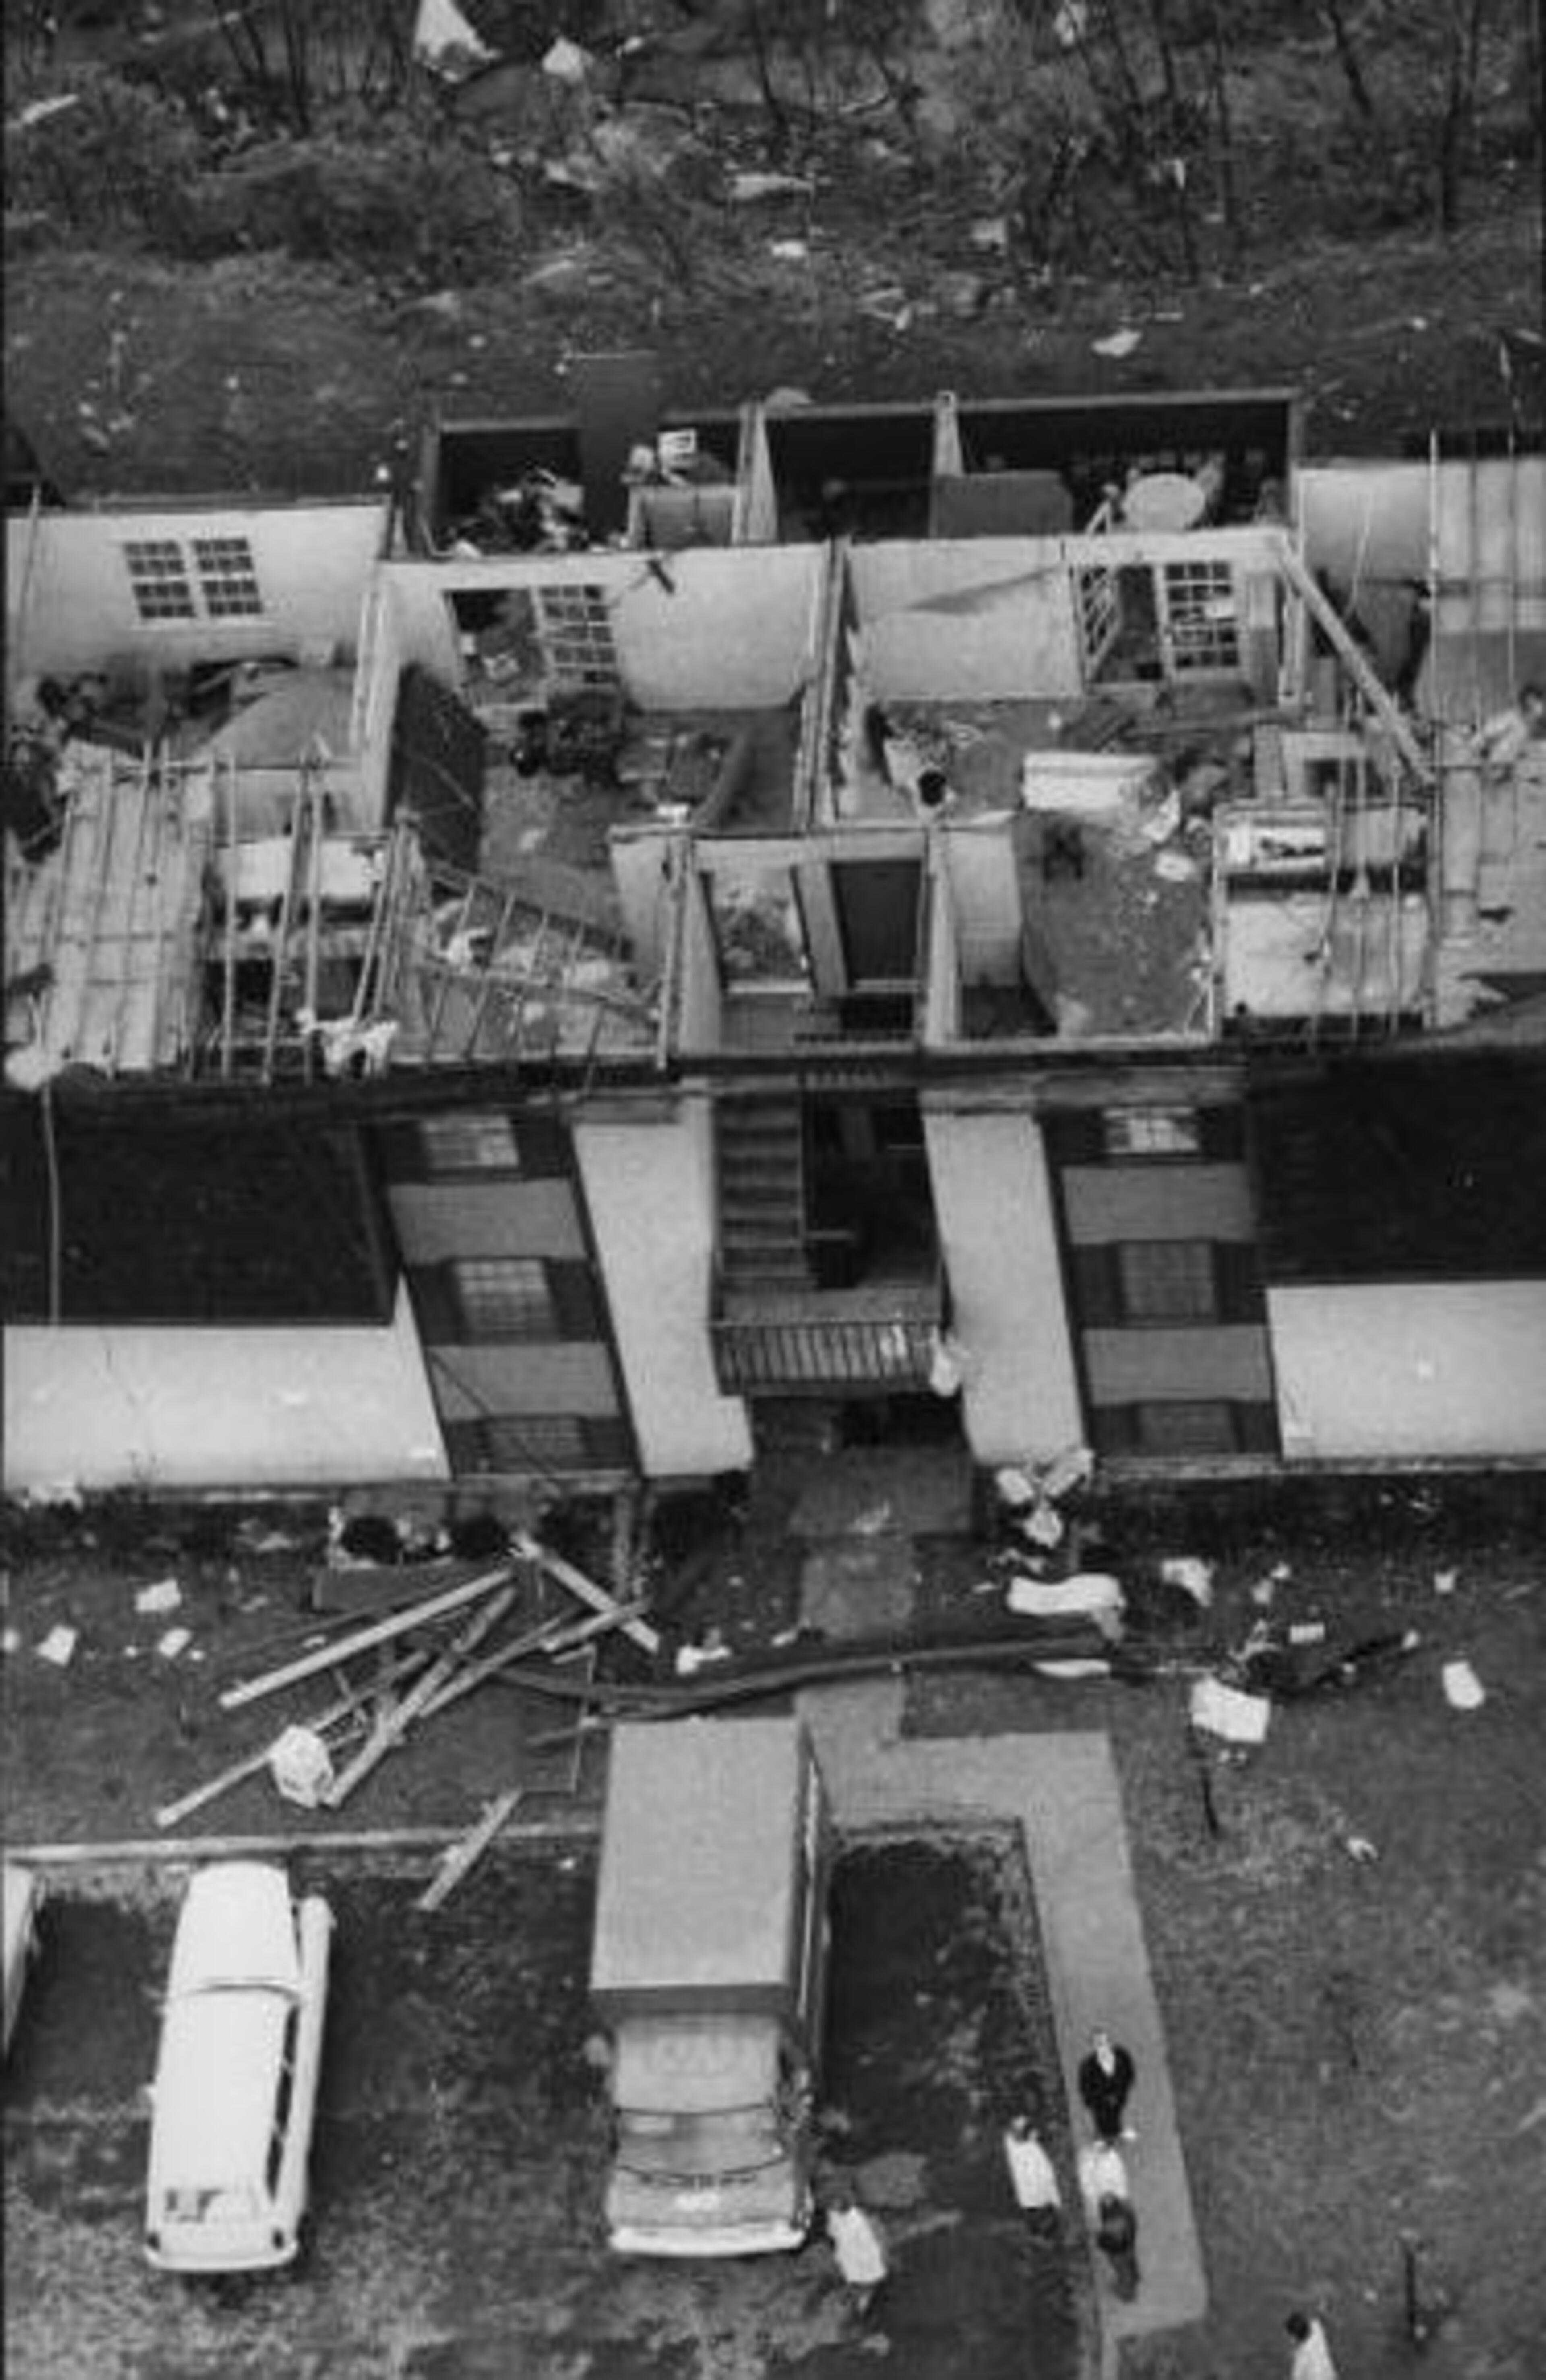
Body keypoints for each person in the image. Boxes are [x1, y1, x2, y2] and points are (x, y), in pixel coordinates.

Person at [825, 2185, 888, 2319]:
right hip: (847, 2254)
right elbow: (833, 2231)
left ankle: (864, 2301)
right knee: (851, 2277)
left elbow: (867, 2244)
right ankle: (855, 2294)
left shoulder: (858, 2222)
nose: (834, 2207)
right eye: (833, 2204)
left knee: (866, 2281)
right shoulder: (833, 2214)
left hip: (861, 2257)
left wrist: (868, 2260)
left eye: (837, 2204)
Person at [1002, 2116, 1062, 2241]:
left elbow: (1013, 2132)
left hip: (1033, 2200)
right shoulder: (1028, 2149)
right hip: (1038, 2199)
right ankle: (1046, 2236)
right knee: (1042, 2219)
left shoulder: (1013, 2146)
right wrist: (1056, 2200)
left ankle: (1042, 2235)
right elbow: (1048, 2179)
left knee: (1038, 2220)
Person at [1078, 2028, 1137, 2143]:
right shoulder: (1088, 2066)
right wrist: (1092, 2101)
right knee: (1102, 2119)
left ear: (1109, 2043)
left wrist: (1124, 2089)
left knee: (1117, 2113)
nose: (1103, 2047)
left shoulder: (1121, 2055)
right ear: (1094, 2047)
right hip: (1100, 2101)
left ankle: (1119, 2132)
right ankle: (1101, 2137)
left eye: (1105, 2043)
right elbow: (1085, 2087)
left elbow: (1129, 2072)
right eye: (1099, 2044)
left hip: (1119, 2095)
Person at [1094, 2190, 1140, 2299]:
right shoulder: (1113, 2223)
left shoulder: (1122, 2219)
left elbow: (1128, 2233)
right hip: (1118, 2249)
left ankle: (1126, 2289)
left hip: (1120, 2248)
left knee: (1124, 2268)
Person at [1285, 2309, 1340, 2380]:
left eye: (1289, 2335)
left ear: (1294, 2338)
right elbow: (1319, 2319)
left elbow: (1296, 2377)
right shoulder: (1316, 2329)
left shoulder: (1301, 2361)